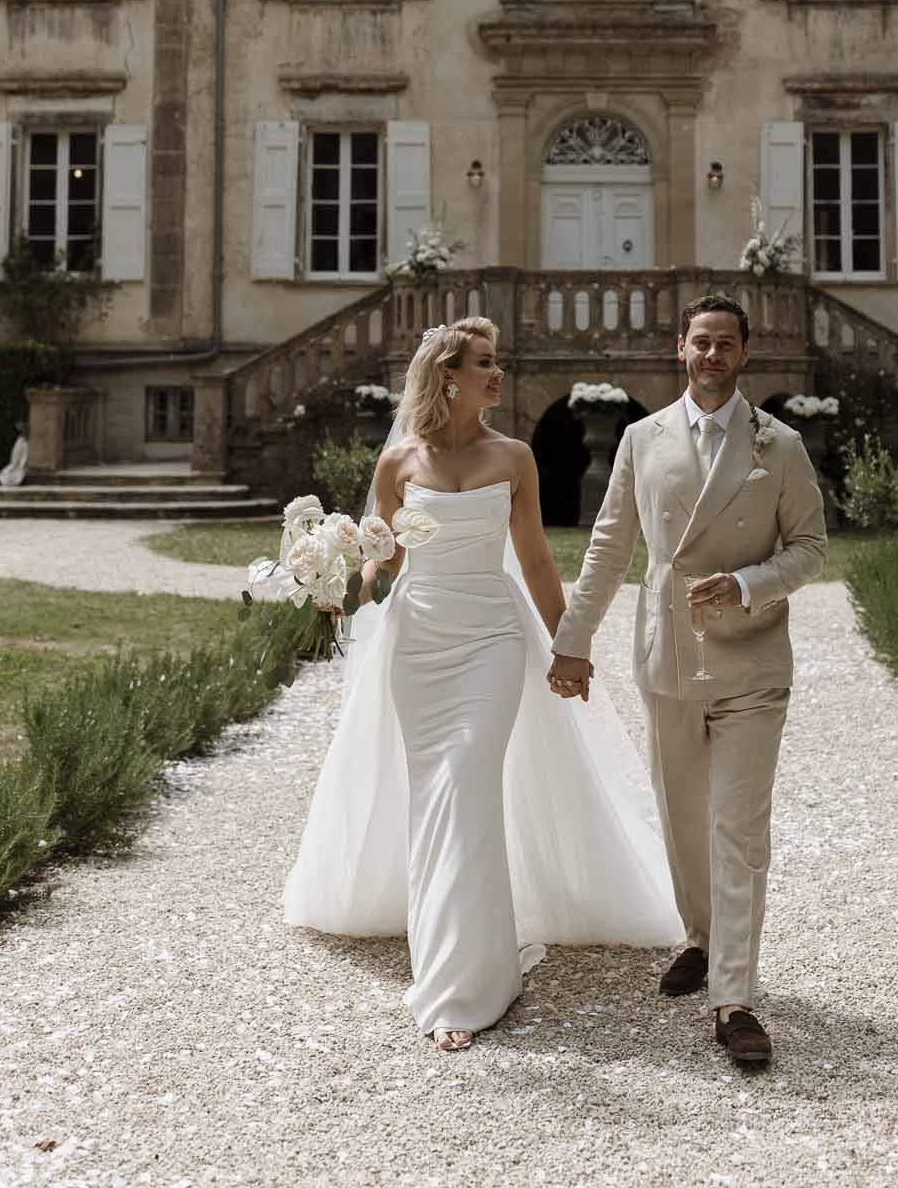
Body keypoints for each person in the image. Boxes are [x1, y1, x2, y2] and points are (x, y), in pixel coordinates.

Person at [284, 316, 680, 1052]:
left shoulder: (515, 457)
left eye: (497, 363)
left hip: (493, 641)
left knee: (466, 785)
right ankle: (454, 951)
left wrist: (571, 646)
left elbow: (533, 562)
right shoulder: (397, 463)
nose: (497, 375)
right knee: (436, 793)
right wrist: (338, 577)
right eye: (485, 364)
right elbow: (386, 562)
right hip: (419, 644)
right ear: (447, 376)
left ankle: (467, 985)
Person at [548, 293, 827, 1068]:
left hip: (751, 662)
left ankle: (734, 999)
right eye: (700, 343)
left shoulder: (781, 445)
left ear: (744, 354)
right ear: (680, 350)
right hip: (668, 656)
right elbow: (608, 548)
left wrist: (747, 584)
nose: (711, 356)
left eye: (725, 344)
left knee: (737, 830)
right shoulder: (642, 438)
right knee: (681, 820)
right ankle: (702, 938)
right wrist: (573, 642)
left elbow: (809, 548)